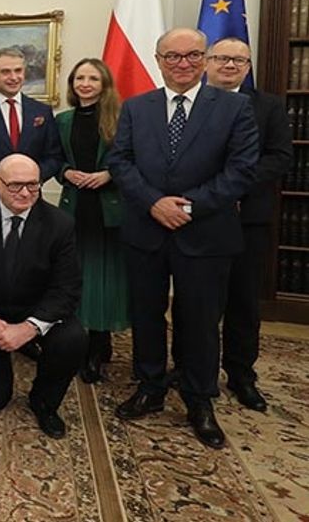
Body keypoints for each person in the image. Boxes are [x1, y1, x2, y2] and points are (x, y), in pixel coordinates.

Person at [108, 28, 258, 449]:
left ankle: (199, 399)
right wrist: (155, 203)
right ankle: (150, 386)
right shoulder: (137, 108)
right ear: (158, 60)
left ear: (205, 59)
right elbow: (120, 161)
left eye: (192, 55)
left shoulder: (234, 108)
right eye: (172, 56)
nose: (182, 63)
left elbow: (241, 171)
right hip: (146, 229)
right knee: (146, 314)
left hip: (206, 233)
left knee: (200, 321)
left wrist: (187, 206)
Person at [0, 154, 86, 439]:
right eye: (15, 186)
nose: (25, 193)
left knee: (73, 338)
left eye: (33, 186)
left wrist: (29, 328)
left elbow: (67, 288)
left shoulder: (60, 224)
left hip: (34, 310)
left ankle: (44, 401)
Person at [204, 37, 292, 412]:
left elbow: (279, 158)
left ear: (248, 65)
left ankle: (241, 374)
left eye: (238, 60)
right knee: (201, 303)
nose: (229, 65)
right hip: (202, 217)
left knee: (243, 301)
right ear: (207, 62)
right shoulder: (193, 105)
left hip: (248, 219)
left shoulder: (268, 106)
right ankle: (196, 369)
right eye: (222, 58)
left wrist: (232, 183)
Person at [55, 58, 127, 384]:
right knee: (76, 276)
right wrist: (65, 172)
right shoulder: (63, 119)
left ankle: (99, 345)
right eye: (79, 78)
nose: (85, 83)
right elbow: (54, 159)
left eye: (92, 78)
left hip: (107, 208)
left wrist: (108, 174)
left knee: (104, 281)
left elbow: (133, 158)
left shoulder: (119, 117)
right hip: (74, 207)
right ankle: (78, 341)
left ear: (104, 84)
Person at [0, 47, 62, 185]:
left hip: (30, 195)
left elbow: (54, 156)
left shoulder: (42, 111)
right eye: (5, 72)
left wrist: (32, 178)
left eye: (18, 71)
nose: (13, 77)